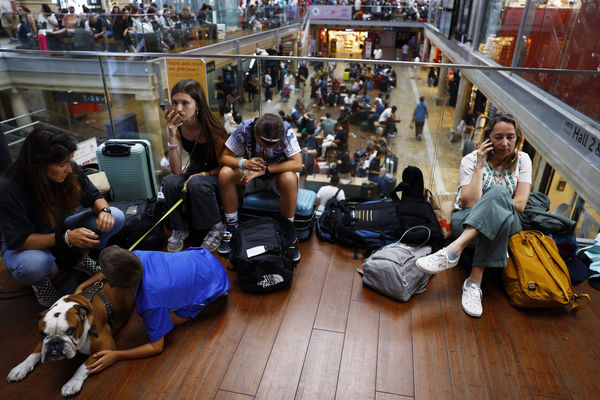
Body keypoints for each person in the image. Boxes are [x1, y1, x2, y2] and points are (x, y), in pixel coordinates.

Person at [415, 112, 532, 318]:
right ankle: (473, 284)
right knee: (496, 206)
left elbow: (520, 204)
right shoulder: (470, 160)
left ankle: (452, 252)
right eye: (498, 137)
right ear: (488, 138)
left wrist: (496, 204)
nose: (505, 143)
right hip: (467, 219)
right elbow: (469, 202)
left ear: (517, 138)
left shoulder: (523, 160)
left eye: (510, 137)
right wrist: (479, 165)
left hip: (511, 221)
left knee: (498, 193)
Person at [0, 128, 125, 306]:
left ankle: (79, 259)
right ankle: (40, 283)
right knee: (34, 265)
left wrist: (104, 212)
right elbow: (19, 240)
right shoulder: (8, 188)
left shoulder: (69, 169)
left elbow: (94, 196)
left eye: (69, 161)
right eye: (62, 165)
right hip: (24, 244)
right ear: (39, 166)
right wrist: (65, 238)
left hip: (58, 229)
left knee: (117, 217)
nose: (69, 168)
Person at [74, 245, 229, 373]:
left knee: (171, 319)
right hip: (202, 256)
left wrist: (116, 355)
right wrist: (83, 285)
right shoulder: (137, 256)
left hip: (216, 285)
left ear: (112, 285)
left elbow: (156, 347)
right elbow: (109, 272)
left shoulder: (150, 303)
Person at [217, 113, 302, 261]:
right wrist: (243, 163)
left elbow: (297, 164)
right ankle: (232, 227)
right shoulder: (245, 128)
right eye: (263, 143)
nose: (267, 148)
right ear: (255, 131)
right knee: (225, 173)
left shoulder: (286, 130)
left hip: (276, 176)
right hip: (251, 172)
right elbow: (224, 157)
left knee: (290, 177)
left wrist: (266, 168)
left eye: (273, 145)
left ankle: (288, 232)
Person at [161, 79, 228, 253]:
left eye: (185, 103)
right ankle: (179, 228)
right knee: (169, 182)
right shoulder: (178, 127)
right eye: (174, 103)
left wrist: (204, 175)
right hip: (195, 169)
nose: (178, 109)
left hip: (217, 173)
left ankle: (217, 228)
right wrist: (171, 136)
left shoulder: (214, 130)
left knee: (196, 182)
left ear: (198, 105)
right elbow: (176, 171)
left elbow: (226, 167)